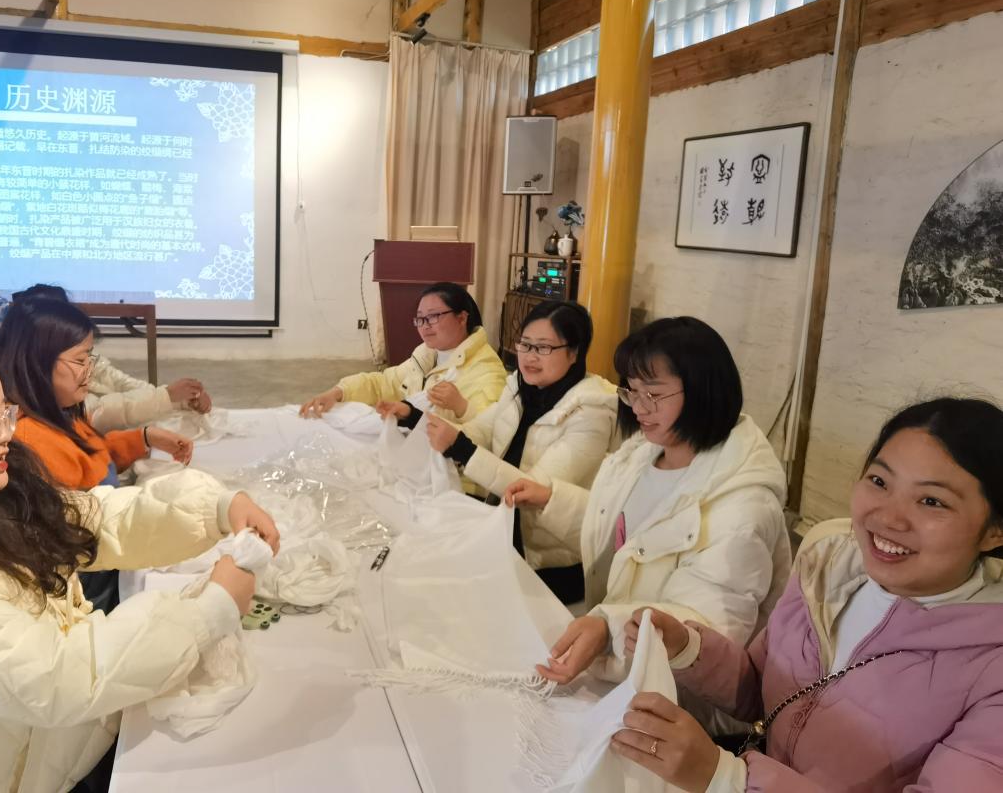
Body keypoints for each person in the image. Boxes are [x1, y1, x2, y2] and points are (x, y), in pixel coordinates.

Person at [0, 334, 279, 793]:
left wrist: (215, 508)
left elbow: (92, 521)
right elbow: (57, 677)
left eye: (5, 413)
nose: (5, 433)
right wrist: (208, 610)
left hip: (24, 752)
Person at [613, 397, 1003, 792]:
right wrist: (688, 649)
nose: (888, 517)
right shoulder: (826, 572)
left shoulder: (991, 667)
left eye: (932, 501)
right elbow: (766, 692)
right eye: (879, 481)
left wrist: (729, 779)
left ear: (995, 530)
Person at [507, 317, 791, 687]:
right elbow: (621, 535)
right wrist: (552, 500)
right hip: (622, 669)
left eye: (653, 394)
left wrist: (608, 629)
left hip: (678, 696)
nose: (639, 407)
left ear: (703, 391)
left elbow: (704, 632)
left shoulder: (742, 507)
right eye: (632, 391)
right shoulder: (644, 453)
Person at [0, 297, 208, 612]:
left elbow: (89, 452)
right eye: (80, 360)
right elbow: (88, 520)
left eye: (90, 357)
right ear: (36, 362)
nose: (90, 371)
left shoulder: (57, 411)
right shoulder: (29, 439)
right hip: (87, 582)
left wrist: (143, 438)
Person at [420, 300, 618, 604]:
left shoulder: (592, 413)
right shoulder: (519, 387)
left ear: (574, 352)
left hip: (549, 559)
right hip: (503, 527)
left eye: (544, 347)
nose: (529, 356)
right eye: (525, 344)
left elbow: (532, 489)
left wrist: (460, 448)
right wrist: (418, 421)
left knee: (451, 593)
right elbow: (483, 429)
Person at [299, 282, 506, 426]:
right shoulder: (427, 355)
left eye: (433, 316)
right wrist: (338, 392)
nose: (424, 326)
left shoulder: (486, 370)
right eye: (420, 319)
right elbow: (383, 383)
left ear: (461, 318)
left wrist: (462, 407)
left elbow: (490, 435)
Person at [12, 284, 212, 432]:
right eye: (80, 360)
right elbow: (100, 412)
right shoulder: (28, 416)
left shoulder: (80, 363)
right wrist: (166, 397)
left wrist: (178, 399)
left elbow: (123, 384)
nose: (88, 368)